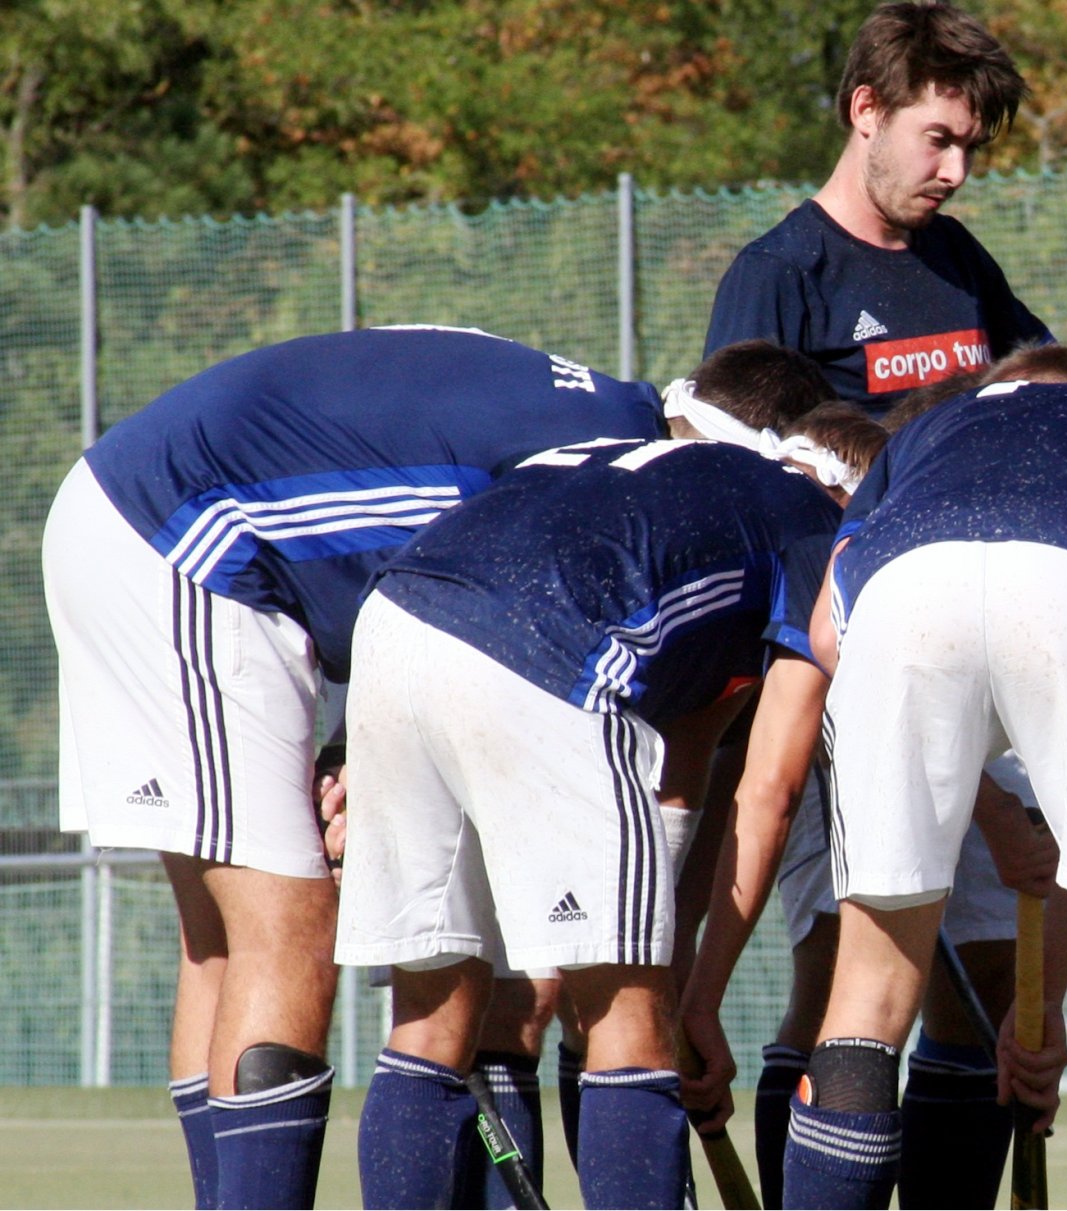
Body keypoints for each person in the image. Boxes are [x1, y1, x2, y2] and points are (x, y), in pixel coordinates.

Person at [41, 325, 666, 1209]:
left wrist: (358, 747)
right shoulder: (608, 469)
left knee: (220, 939)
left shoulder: (588, 406)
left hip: (144, 513)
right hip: (182, 537)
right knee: (289, 924)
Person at [333, 412, 880, 1209]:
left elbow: (685, 765)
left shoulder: (691, 481)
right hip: (544, 646)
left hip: (396, 623)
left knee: (428, 1022)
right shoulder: (818, 530)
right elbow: (769, 788)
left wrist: (675, 956)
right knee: (627, 1022)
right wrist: (690, 1002)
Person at [717, 364, 1067, 1209]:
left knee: (868, 994)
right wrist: (1048, 1004)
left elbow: (825, 638)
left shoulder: (924, 435)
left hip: (900, 598)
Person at [703, 0, 1050, 417]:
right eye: (938, 140)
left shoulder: (957, 252)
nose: (956, 173)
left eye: (971, 148)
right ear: (867, 109)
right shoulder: (777, 272)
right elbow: (733, 461)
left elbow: (1051, 382)